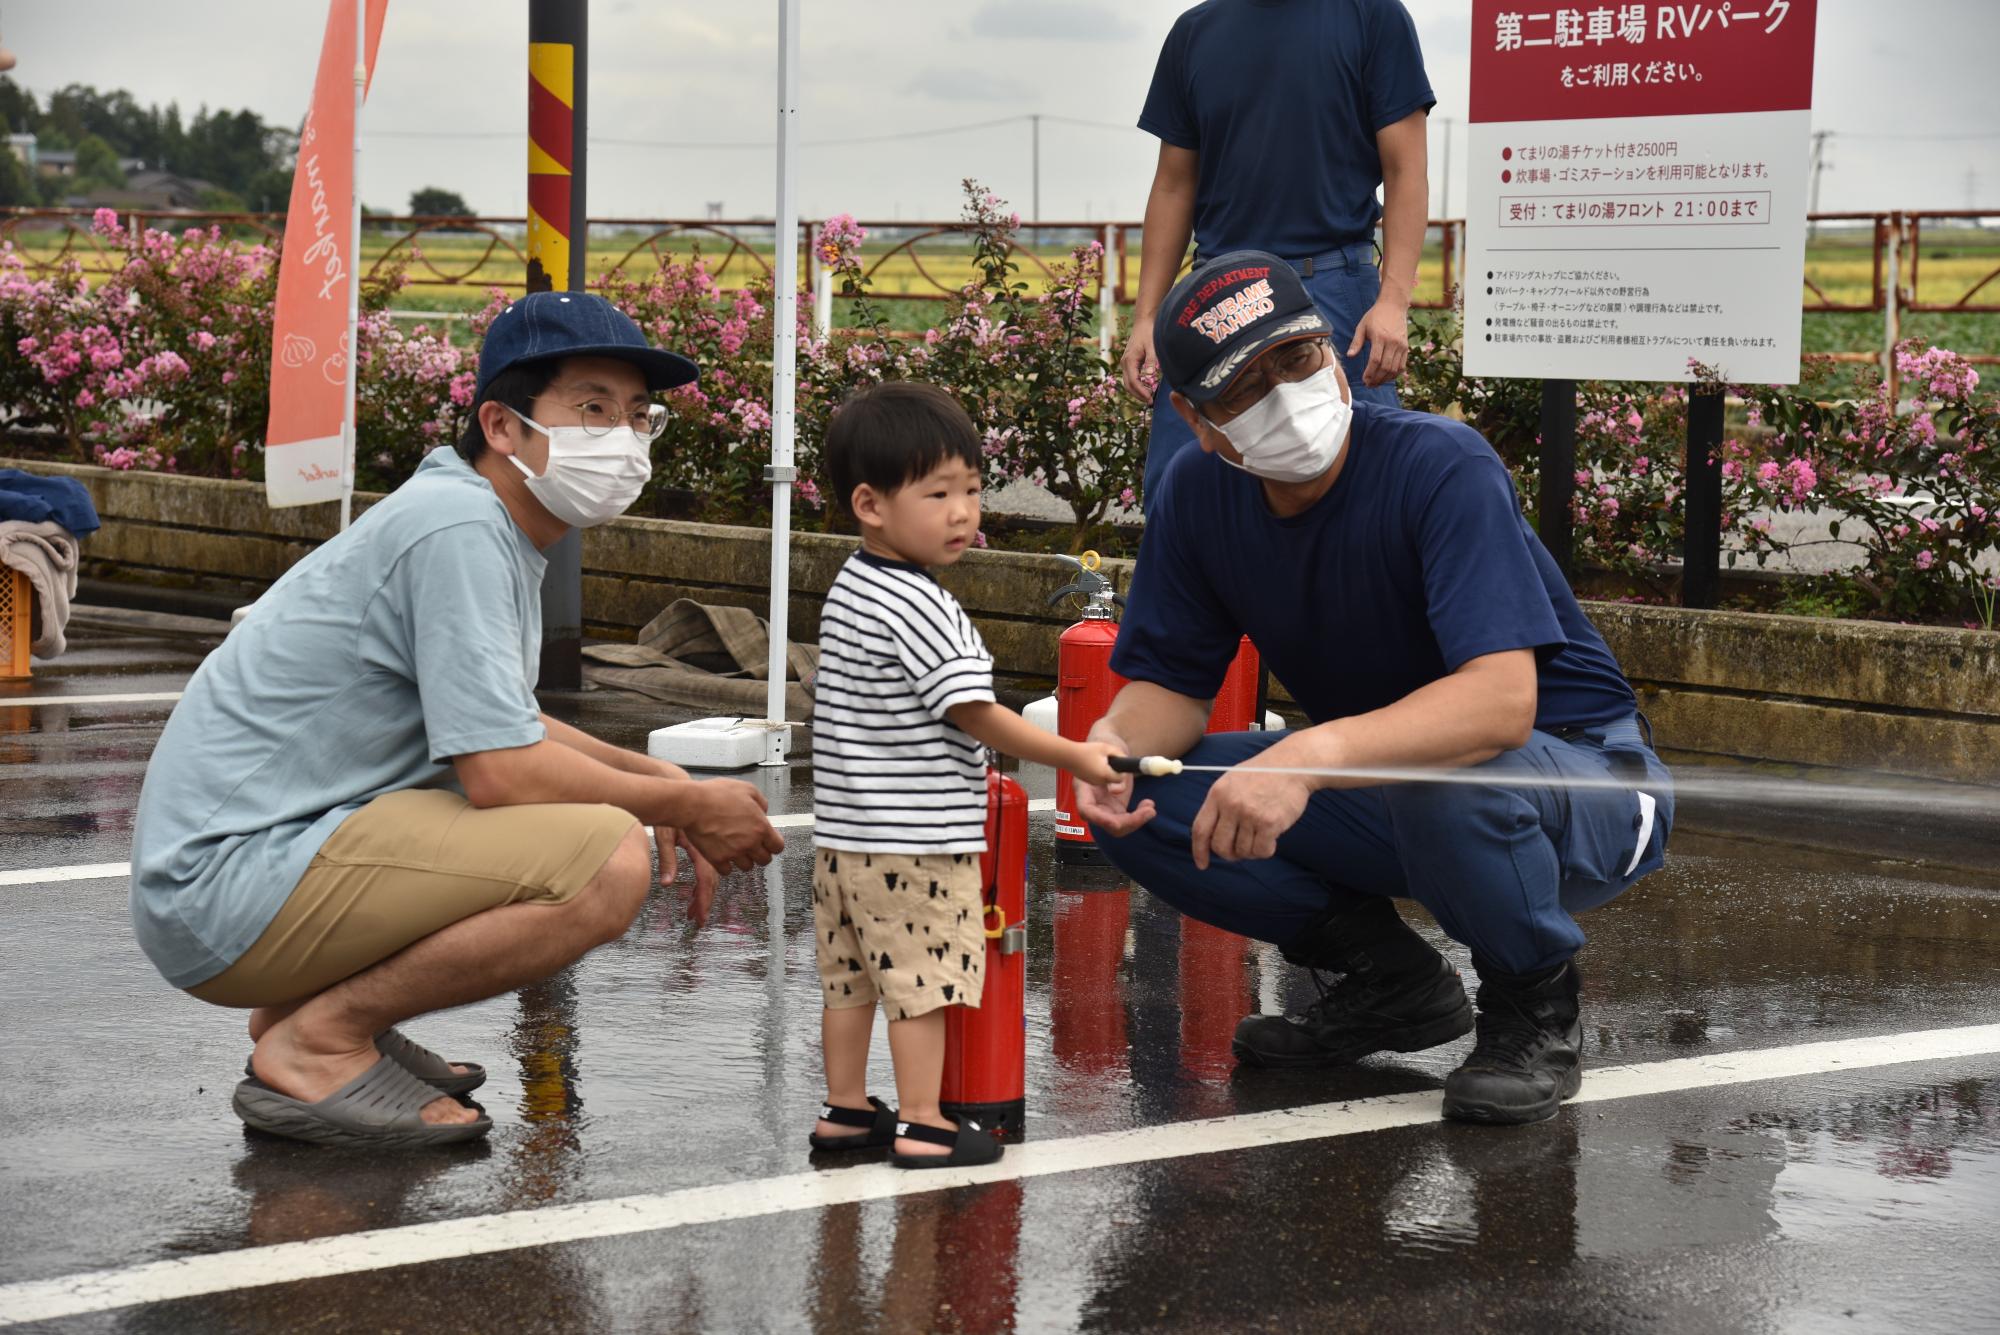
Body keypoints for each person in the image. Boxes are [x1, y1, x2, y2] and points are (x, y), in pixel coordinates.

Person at [130, 291, 785, 1148]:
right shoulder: (460, 528)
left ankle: (311, 1016)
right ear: (502, 426)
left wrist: (657, 775)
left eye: (638, 415)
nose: (622, 438)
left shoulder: (483, 522)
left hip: (256, 861)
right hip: (222, 887)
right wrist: (678, 807)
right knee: (608, 860)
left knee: (603, 814)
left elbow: (508, 722)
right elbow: (501, 769)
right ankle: (318, 1040)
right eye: (591, 407)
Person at [1076, 255, 1674, 1125]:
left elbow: (1500, 705)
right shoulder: (1198, 493)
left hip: (1586, 779)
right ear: (1195, 420)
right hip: (1397, 784)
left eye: (1296, 357)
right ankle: (1391, 984)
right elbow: (1169, 683)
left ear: (1332, 346)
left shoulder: (1441, 466)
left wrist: (1307, 757)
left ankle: (1532, 1005)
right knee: (1151, 799)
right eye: (1243, 388)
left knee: (1443, 775)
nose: (1284, 395)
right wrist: (1113, 743)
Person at [805, 382, 1122, 1168]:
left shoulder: (852, 585)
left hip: (842, 840)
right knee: (923, 985)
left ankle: (845, 1112)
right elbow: (975, 712)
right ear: (871, 503)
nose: (963, 513)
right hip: (916, 842)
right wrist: (1080, 755)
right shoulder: (923, 606)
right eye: (938, 493)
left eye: (973, 491)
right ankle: (923, 1122)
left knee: (850, 985)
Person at [1121, 0, 1434, 507]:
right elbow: (1174, 186)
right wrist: (1147, 317)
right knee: (1185, 492)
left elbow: (1406, 170)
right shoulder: (1193, 33)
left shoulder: (1372, 16)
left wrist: (1393, 301)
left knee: (1365, 490)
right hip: (1219, 294)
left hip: (1333, 287)